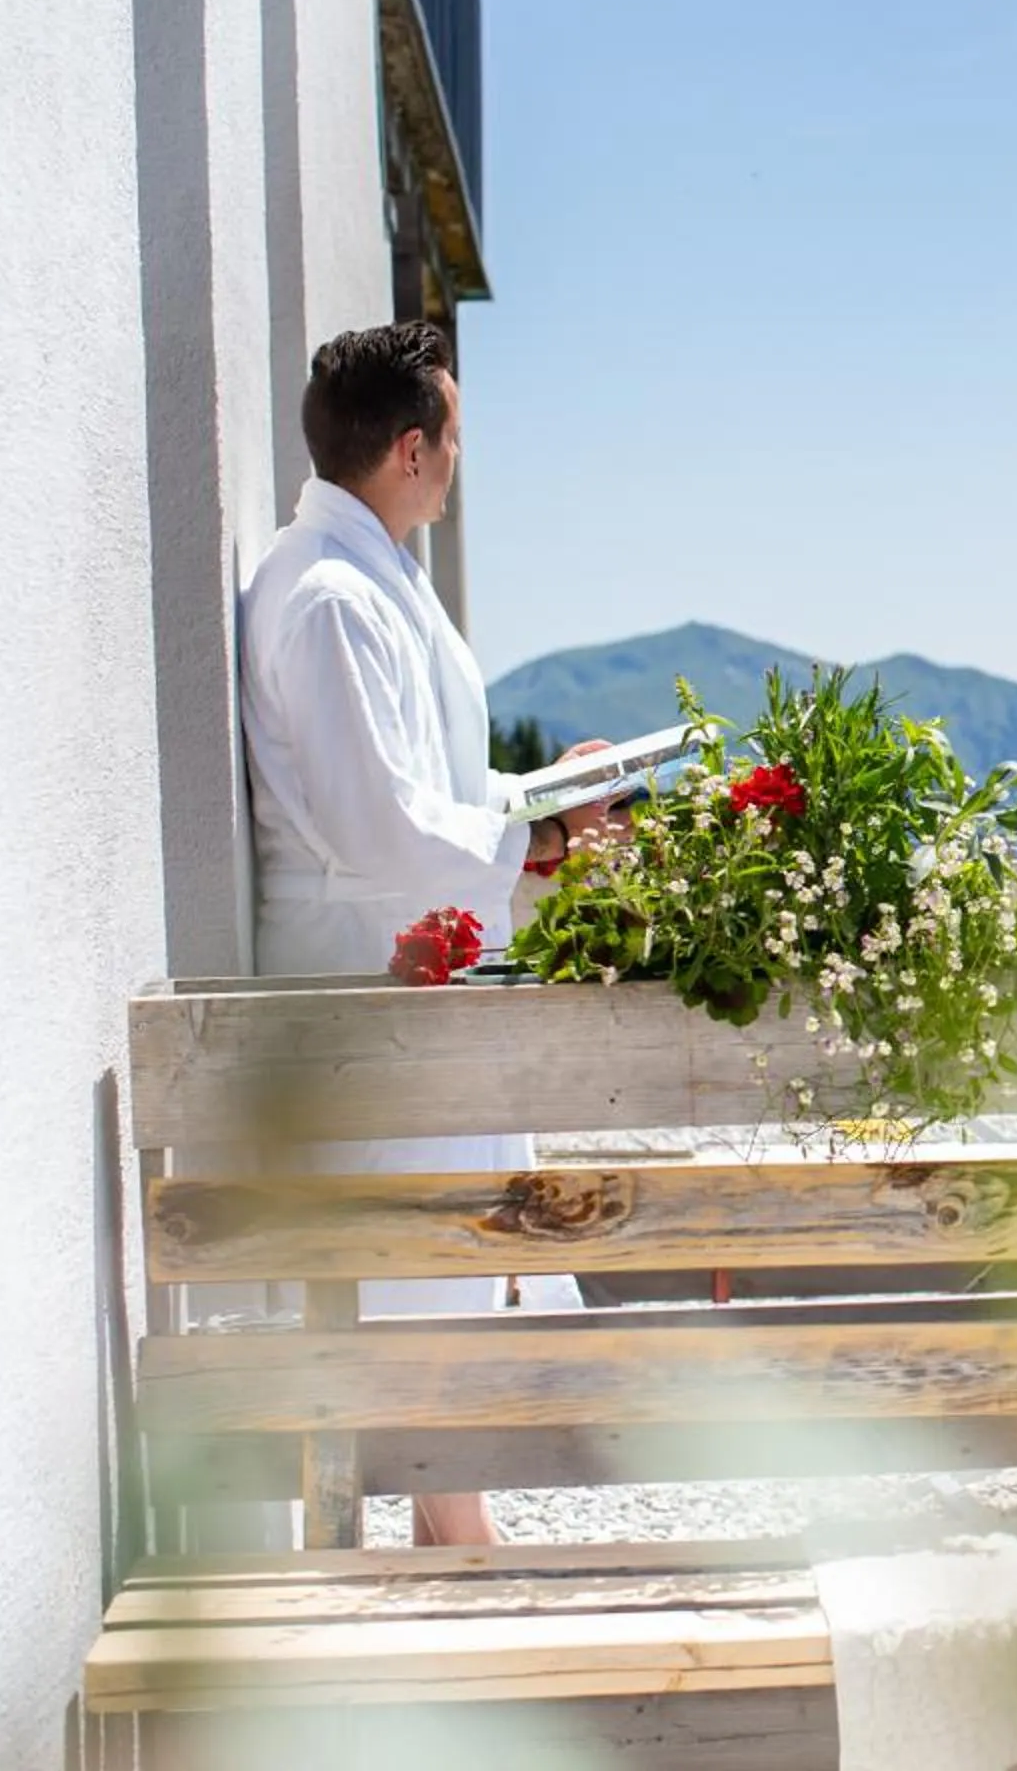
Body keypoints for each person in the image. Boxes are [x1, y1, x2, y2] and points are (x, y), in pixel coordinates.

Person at [239, 320, 613, 1545]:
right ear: (412, 448)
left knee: (443, 1268)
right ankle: (458, 1546)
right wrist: (542, 840)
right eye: (454, 435)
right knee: (412, 1276)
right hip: (368, 982)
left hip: (412, 966)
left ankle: (460, 1533)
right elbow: (381, 821)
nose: (460, 461)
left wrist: (539, 798)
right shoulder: (330, 597)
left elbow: (423, 785)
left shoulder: (368, 578)